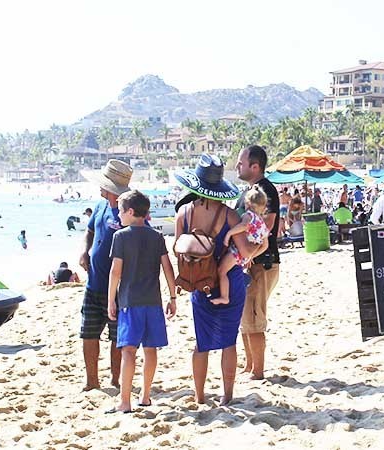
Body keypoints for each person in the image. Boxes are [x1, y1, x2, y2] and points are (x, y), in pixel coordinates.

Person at [174, 153, 259, 404]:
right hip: (230, 283)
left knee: (201, 343)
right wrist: (260, 244)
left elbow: (177, 250)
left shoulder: (183, 214)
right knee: (228, 342)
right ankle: (227, 396)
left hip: (200, 284)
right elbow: (244, 252)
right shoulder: (230, 216)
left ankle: (199, 396)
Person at [106, 190, 177, 413]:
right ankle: (145, 396)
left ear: (130, 211)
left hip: (130, 302)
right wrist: (173, 296)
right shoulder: (156, 236)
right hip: (153, 302)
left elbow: (115, 272)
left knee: (128, 351)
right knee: (150, 349)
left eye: (120, 211)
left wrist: (111, 300)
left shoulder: (121, 236)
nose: (118, 215)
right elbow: (167, 268)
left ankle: (125, 401)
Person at [79, 159, 133, 391]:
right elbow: (90, 230)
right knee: (88, 333)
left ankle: (115, 379)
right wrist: (85, 251)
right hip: (93, 284)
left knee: (116, 336)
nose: (100, 187)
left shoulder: (127, 212)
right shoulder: (100, 206)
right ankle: (92, 381)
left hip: (119, 289)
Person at [235, 145, 280, 381]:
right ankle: (250, 364)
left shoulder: (265, 190)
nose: (237, 166)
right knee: (246, 315)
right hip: (251, 261)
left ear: (255, 166)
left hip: (261, 262)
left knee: (254, 317)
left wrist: (250, 252)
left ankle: (258, 370)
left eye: (241, 163)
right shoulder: (249, 191)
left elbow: (268, 226)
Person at [214, 187, 269, 305]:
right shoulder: (262, 222)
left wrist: (229, 234)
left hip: (237, 251)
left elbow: (244, 226)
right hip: (246, 256)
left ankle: (224, 296)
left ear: (247, 203)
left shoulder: (248, 215)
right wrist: (251, 256)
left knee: (221, 271)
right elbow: (265, 246)